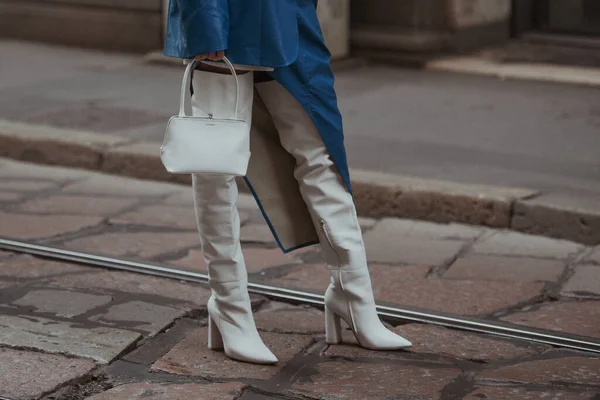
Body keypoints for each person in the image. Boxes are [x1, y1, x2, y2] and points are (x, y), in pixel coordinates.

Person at [164, 0, 412, 365]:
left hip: (290, 18)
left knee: (321, 155)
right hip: (226, 17)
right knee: (215, 166)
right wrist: (206, 22)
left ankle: (353, 297)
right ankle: (230, 307)